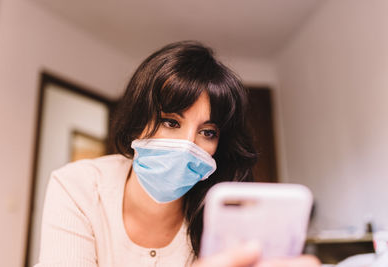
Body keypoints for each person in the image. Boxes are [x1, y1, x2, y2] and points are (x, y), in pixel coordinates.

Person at [35, 41, 320, 267]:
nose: (188, 145)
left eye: (208, 132)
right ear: (138, 120)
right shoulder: (78, 187)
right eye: (170, 122)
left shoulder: (223, 216)